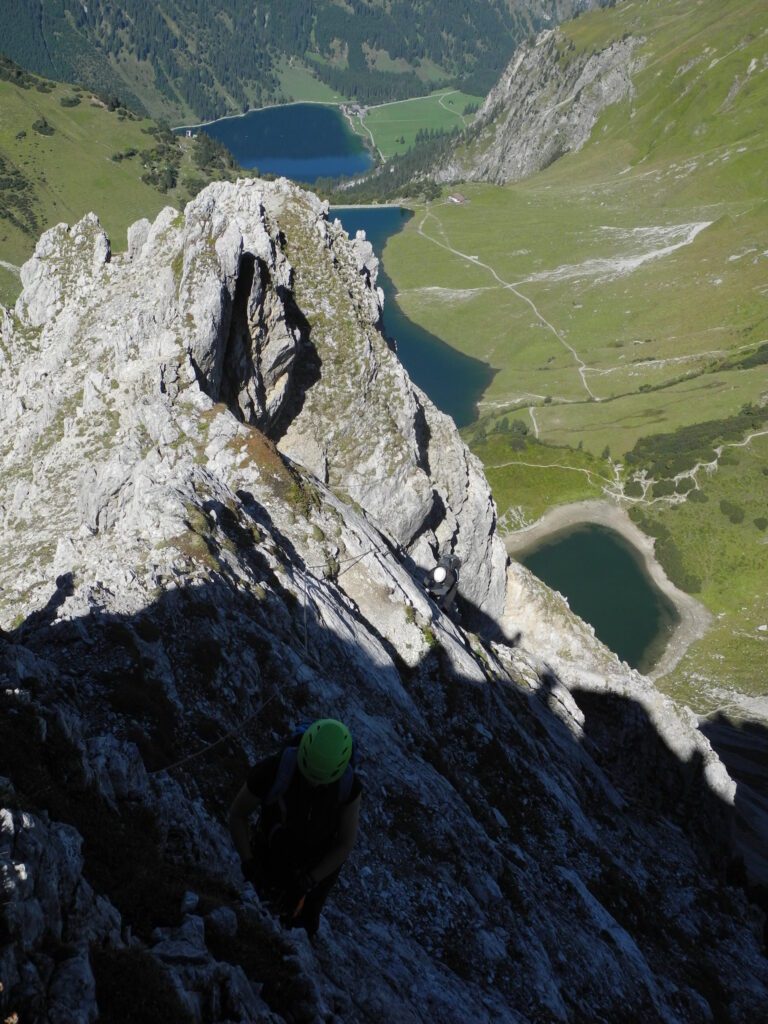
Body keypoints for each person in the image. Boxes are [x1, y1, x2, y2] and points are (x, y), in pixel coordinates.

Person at [228, 718, 361, 937]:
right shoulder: (275, 769)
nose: (314, 784)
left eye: (322, 781)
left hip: (316, 866)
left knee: (302, 926)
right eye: (309, 776)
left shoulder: (349, 787)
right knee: (258, 916)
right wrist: (249, 864)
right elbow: (237, 815)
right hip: (274, 852)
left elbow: (345, 844)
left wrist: (309, 881)